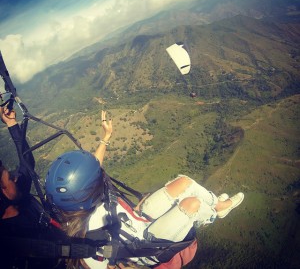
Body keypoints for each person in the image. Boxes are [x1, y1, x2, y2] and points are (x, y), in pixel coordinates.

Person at [45, 111, 244, 269]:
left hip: (138, 218)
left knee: (183, 182)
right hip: (145, 247)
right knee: (192, 204)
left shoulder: (80, 200)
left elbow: (92, 168)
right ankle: (211, 215)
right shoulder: (88, 244)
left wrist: (106, 137)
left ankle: (219, 206)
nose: (100, 179)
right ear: (85, 193)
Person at [0, 106, 65, 269]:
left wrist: (12, 124)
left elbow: (27, 163)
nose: (16, 177)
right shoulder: (7, 243)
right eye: (11, 178)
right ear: (3, 190)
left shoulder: (19, 195)